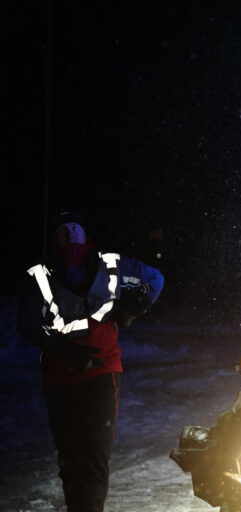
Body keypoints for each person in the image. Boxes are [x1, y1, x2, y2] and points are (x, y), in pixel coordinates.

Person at [16, 209, 164, 512]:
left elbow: (154, 278)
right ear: (53, 238)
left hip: (102, 370)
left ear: (87, 234)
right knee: (71, 455)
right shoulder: (42, 276)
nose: (71, 234)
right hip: (60, 374)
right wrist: (64, 350)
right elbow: (27, 324)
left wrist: (136, 306)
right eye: (63, 230)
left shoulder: (109, 266)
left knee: (95, 449)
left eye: (76, 228)